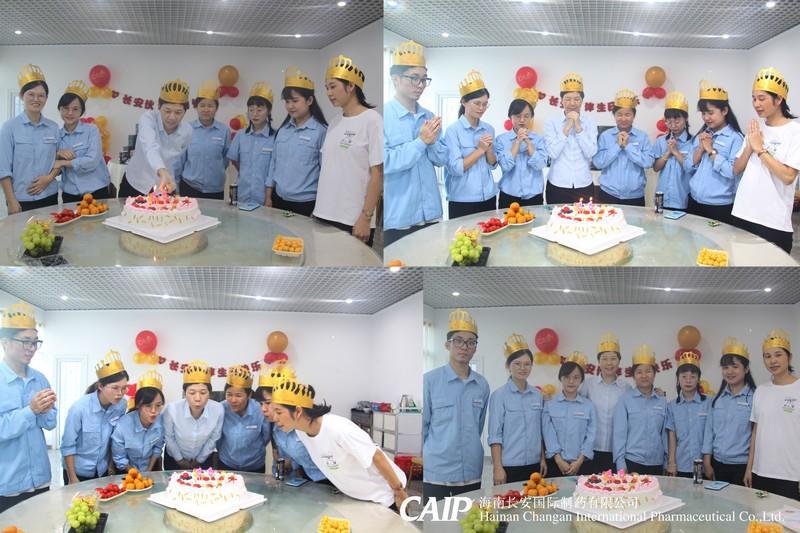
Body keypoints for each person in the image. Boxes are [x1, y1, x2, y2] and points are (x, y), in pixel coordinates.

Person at [271, 377, 408, 510]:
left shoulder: (338, 429)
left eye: (279, 412)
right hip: (359, 499)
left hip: (386, 497)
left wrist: (399, 492)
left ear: (298, 411)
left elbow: (377, 456)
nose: (274, 418)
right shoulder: (301, 432)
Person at [313, 55, 382, 247]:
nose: (329, 93)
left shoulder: (372, 120)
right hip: (323, 214)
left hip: (352, 219)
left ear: (351, 86)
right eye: (326, 88)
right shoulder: (334, 122)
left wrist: (366, 217)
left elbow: (378, 174)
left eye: (333, 86)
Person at [384, 40, 447, 245]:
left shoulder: (429, 116)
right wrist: (421, 141)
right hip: (400, 218)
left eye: (423, 79)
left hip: (431, 214)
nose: (420, 85)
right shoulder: (383, 116)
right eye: (414, 78)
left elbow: (441, 160)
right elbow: (386, 162)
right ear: (395, 79)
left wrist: (432, 142)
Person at [422, 309, 490, 500]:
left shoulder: (482, 385)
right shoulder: (429, 381)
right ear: (448, 345)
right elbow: (423, 427)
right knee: (436, 518)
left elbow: (478, 426)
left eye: (471, 342)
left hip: (471, 470)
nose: (464, 347)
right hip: (437, 473)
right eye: (458, 340)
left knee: (468, 518)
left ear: (475, 348)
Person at [732, 67, 800, 253]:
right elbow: (736, 169)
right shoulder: (756, 128)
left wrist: (760, 150)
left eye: (762, 98)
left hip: (773, 221)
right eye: (754, 98)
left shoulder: (795, 132)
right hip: (742, 212)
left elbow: (788, 177)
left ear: (779, 99)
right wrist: (749, 146)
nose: (756, 104)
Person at [0, 302, 56, 513]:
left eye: (35, 342)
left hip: (40, 479)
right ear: (5, 342)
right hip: (8, 484)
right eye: (25, 341)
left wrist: (47, 410)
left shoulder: (39, 379)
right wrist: (31, 410)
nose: (31, 348)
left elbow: (51, 424)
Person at [266, 67, 327, 216]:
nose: (290, 106)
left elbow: (325, 172)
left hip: (306, 204)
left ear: (309, 100)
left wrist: (320, 207)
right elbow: (273, 164)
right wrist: (268, 196)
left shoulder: (321, 131)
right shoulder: (283, 130)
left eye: (295, 101)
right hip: (278, 199)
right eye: (287, 102)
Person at [61, 350, 129, 484]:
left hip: (102, 470)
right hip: (78, 471)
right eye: (115, 388)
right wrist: (72, 477)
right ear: (101, 386)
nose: (120, 393)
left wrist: (110, 465)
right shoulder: (79, 408)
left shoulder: (121, 405)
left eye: (124, 388)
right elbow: (67, 445)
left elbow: (115, 437)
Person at [746, 330, 800, 500]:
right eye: (767, 356)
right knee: (761, 515)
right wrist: (749, 468)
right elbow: (755, 432)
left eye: (778, 355)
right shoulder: (761, 391)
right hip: (761, 472)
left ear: (789, 357)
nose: (772, 361)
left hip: (791, 475)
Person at [0, 64, 60, 213]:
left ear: (46, 98)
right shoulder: (9, 128)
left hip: (49, 196)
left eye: (41, 95)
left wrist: (48, 178)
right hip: (21, 199)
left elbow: (58, 162)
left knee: (50, 228)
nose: (36, 99)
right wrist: (11, 201)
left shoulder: (53, 128)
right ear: (22, 96)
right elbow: (3, 169)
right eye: (31, 94)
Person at [488, 334, 546, 485]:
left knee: (534, 500)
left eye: (527, 364)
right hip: (509, 466)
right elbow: (495, 435)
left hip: (534, 464)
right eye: (517, 363)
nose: (522, 368)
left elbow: (539, 431)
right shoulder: (499, 396)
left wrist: (542, 459)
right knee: (510, 500)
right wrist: (498, 468)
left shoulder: (537, 395)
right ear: (508, 366)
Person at [120, 79, 192, 196]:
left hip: (165, 185)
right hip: (136, 183)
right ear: (159, 106)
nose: (172, 117)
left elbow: (177, 161)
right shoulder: (148, 119)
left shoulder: (187, 131)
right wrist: (162, 170)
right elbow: (150, 147)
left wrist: (174, 183)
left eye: (178, 112)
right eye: (167, 111)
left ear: (185, 112)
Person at [687, 80, 744, 225]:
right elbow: (689, 167)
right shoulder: (702, 135)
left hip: (719, 206)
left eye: (711, 113)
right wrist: (700, 149)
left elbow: (732, 172)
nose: (706, 118)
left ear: (724, 111)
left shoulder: (735, 138)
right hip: (694, 200)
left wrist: (711, 151)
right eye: (703, 113)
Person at [256, 366, 326, 482]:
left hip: (330, 479)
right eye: (260, 403)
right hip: (306, 481)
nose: (263, 409)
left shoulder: (306, 424)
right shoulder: (276, 428)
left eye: (268, 403)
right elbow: (281, 462)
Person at [443, 70, 497, 219]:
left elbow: (493, 165)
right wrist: (480, 150)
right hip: (463, 200)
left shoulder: (489, 129)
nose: (481, 108)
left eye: (485, 104)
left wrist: (489, 150)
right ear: (463, 102)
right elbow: (455, 168)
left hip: (489, 196)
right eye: (477, 103)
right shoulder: (452, 131)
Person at [702, 338, 756, 486]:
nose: (730, 371)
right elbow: (709, 431)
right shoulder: (717, 399)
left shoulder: (754, 398)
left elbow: (755, 436)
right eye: (725, 367)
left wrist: (750, 468)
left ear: (746, 369)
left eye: (735, 366)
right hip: (717, 464)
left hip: (742, 466)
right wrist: (707, 461)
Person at [579, 333, 631, 473]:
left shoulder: (626, 388)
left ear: (619, 361)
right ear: (598, 361)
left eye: (613, 358)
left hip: (616, 452)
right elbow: (576, 405)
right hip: (590, 450)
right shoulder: (588, 385)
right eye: (604, 359)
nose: (609, 363)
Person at [544, 72, 598, 204]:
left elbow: (591, 153)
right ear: (561, 100)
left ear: (582, 100)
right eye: (567, 99)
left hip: (583, 183)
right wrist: (567, 127)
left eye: (576, 99)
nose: (572, 103)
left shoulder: (590, 122)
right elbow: (552, 153)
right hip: (557, 184)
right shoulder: (552, 123)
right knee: (556, 217)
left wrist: (578, 126)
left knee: (585, 217)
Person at [56, 80, 114, 202]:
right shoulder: (57, 136)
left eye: (75, 109)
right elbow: (52, 164)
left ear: (81, 111)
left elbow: (92, 160)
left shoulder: (92, 130)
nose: (70, 113)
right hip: (70, 194)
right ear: (60, 109)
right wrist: (57, 154)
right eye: (66, 108)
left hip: (96, 190)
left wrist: (63, 163)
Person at [612, 344, 667, 474]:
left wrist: (667, 461)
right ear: (633, 376)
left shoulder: (662, 401)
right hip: (632, 462)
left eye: (648, 371)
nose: (644, 375)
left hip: (657, 463)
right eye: (639, 372)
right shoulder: (625, 400)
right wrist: (620, 464)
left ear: (654, 374)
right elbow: (619, 435)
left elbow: (665, 435)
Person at [594, 89, 654, 206]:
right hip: (608, 194)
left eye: (627, 114)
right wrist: (617, 146)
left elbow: (648, 162)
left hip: (635, 196)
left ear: (634, 115)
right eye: (619, 114)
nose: (623, 118)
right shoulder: (605, 136)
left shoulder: (642, 137)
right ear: (614, 115)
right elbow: (598, 163)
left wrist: (628, 146)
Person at [162, 360, 223, 470]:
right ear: (185, 393)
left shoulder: (218, 410)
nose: (198, 398)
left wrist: (199, 460)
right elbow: (169, 437)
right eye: (192, 393)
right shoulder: (172, 409)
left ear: (209, 393)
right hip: (174, 459)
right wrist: (180, 460)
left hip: (203, 459)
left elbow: (214, 438)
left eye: (203, 393)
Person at [543, 352, 597, 477]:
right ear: (560, 378)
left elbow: (591, 435)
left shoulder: (588, 406)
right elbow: (548, 434)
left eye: (576, 377)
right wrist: (559, 460)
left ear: (581, 380)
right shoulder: (550, 404)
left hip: (581, 464)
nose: (571, 381)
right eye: (567, 377)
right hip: (555, 463)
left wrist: (579, 461)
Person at [495, 88, 548, 210]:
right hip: (508, 195)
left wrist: (528, 142)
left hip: (534, 196)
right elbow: (505, 166)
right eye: (518, 116)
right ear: (510, 117)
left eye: (526, 116)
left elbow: (540, 165)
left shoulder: (538, 139)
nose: (522, 120)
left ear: (531, 117)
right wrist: (517, 141)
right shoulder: (501, 140)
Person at [177, 80, 230, 200]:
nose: (206, 109)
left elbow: (225, 159)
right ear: (196, 107)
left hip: (215, 189)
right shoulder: (187, 129)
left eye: (210, 106)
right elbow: (180, 159)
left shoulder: (224, 130)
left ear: (216, 108)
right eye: (202, 105)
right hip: (190, 186)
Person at [227, 82, 276, 206]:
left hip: (264, 196)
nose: (255, 114)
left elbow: (274, 168)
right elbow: (234, 160)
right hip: (242, 193)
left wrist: (268, 197)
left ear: (269, 111)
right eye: (251, 110)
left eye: (259, 110)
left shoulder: (275, 137)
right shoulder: (241, 135)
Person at [216, 365, 272, 473]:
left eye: (238, 395)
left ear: (249, 395)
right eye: (229, 394)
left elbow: (266, 436)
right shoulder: (221, 409)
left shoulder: (260, 410)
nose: (233, 400)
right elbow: (218, 438)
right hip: (227, 463)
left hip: (255, 465)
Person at [111, 370, 165, 473]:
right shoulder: (123, 425)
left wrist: (148, 471)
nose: (154, 411)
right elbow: (119, 457)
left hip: (150, 468)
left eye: (158, 405)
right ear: (138, 406)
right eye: (148, 405)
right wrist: (136, 475)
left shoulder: (161, 421)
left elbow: (157, 448)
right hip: (126, 470)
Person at [665, 352, 709, 478]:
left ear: (698, 379)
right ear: (678, 379)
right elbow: (672, 436)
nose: (688, 380)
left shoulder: (709, 403)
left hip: (704, 464)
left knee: (701, 490)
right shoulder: (672, 406)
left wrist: (708, 464)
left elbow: (711, 435)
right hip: (681, 464)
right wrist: (672, 463)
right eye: (684, 376)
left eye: (693, 377)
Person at [652, 92, 694, 211]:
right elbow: (656, 168)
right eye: (669, 122)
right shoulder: (661, 141)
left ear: (686, 119)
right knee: (658, 222)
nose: (673, 126)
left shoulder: (693, 142)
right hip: (661, 195)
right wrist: (667, 153)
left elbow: (691, 169)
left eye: (677, 121)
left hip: (682, 197)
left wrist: (676, 152)